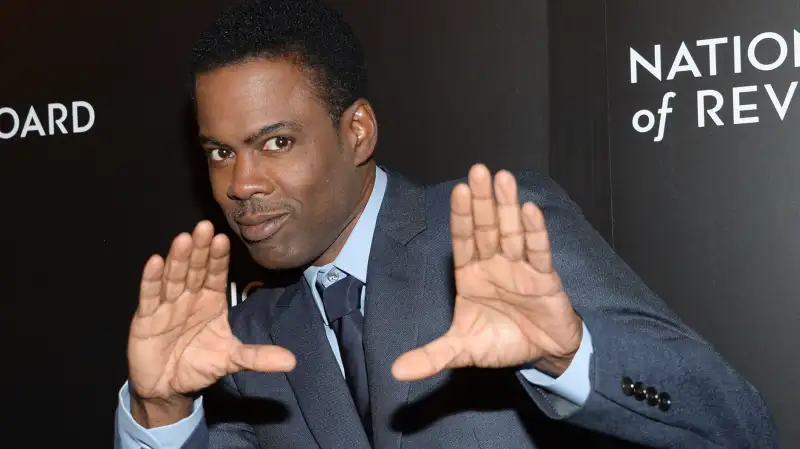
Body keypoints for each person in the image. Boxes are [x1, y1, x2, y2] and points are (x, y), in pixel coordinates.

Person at [114, 0, 777, 447]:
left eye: (277, 142)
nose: (242, 184)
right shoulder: (247, 336)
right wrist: (162, 413)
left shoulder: (494, 234)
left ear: (357, 131)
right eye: (220, 152)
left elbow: (739, 424)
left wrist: (570, 357)